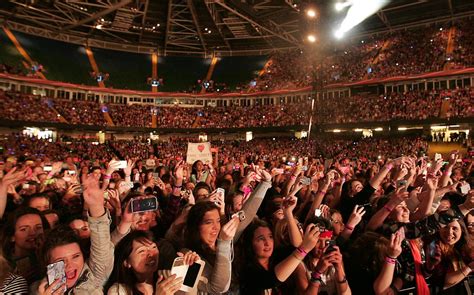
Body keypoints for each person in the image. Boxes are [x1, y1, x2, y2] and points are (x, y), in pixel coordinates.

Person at [31, 174, 114, 294]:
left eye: (76, 256)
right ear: (47, 264)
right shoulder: (36, 290)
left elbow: (102, 247)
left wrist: (96, 206)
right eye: (60, 260)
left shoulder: (94, 277)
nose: (70, 265)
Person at [239, 218, 321, 294]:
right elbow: (271, 280)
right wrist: (303, 249)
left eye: (270, 237)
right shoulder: (247, 269)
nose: (267, 243)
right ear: (250, 244)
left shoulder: (278, 256)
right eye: (261, 238)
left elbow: (296, 247)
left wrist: (288, 213)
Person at [106, 230, 198, 295]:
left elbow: (188, 292)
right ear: (126, 262)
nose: (151, 254)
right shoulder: (119, 291)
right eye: (142, 251)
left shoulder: (168, 277)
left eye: (153, 247)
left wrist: (192, 267)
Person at [184, 201, 240, 293]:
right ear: (196, 226)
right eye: (209, 222)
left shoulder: (223, 242)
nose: (216, 227)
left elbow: (249, 213)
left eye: (218, 221)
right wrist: (224, 243)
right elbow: (219, 288)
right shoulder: (189, 254)